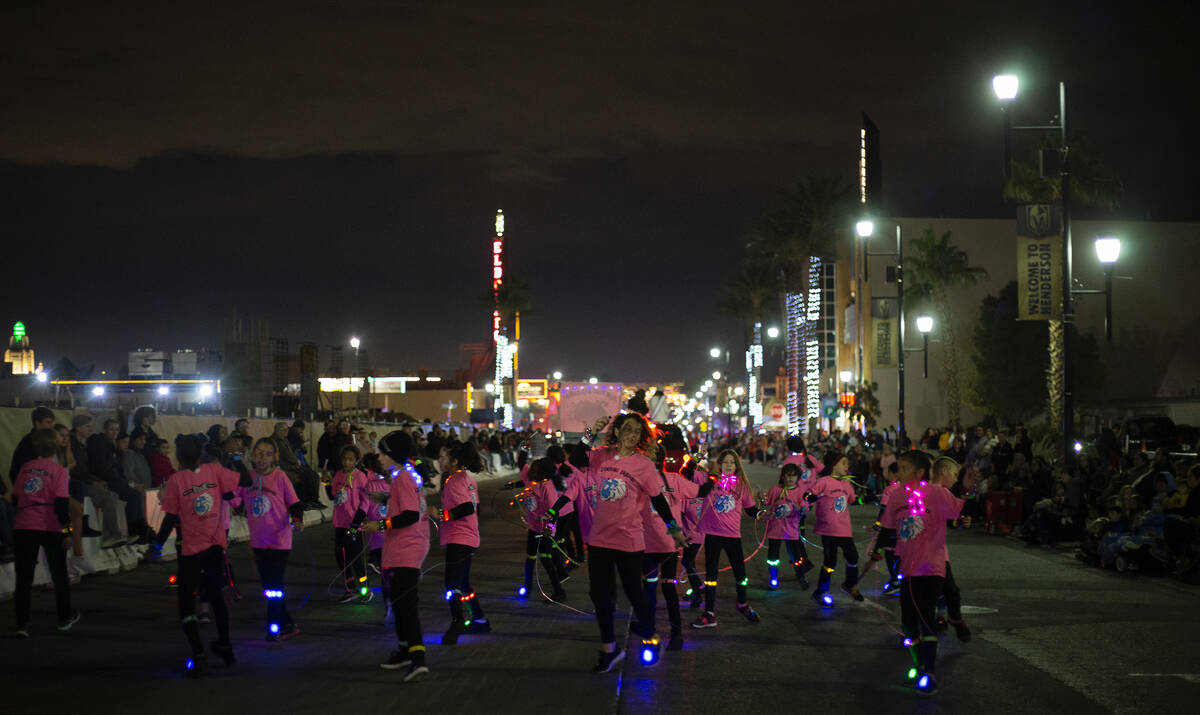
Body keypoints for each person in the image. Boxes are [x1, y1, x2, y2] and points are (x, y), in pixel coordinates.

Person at [545, 414, 686, 672]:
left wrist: (673, 529)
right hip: (599, 538)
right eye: (628, 430)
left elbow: (659, 500)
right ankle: (609, 648)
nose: (632, 436)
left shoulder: (643, 464)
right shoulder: (602, 455)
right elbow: (575, 460)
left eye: (637, 432)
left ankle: (650, 637)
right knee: (598, 594)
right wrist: (591, 432)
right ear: (618, 430)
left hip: (629, 539)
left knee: (634, 592)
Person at [149, 434, 250, 676]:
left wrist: (157, 545)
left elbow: (171, 518)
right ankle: (225, 645)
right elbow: (245, 480)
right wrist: (235, 458)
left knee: (186, 603)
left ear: (179, 456)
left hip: (189, 549)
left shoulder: (175, 481)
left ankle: (198, 653)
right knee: (216, 596)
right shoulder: (214, 470)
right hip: (215, 546)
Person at [894, 450, 978, 694]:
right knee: (909, 623)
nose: (898, 473)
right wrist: (880, 549)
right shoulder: (901, 495)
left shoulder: (938, 493)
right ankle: (921, 662)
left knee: (937, 605)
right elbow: (891, 528)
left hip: (933, 563)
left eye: (903, 468)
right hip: (909, 567)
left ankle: (928, 670)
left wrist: (969, 495)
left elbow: (958, 513)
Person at [361, 431, 431, 682]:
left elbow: (410, 515)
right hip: (403, 548)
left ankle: (418, 658)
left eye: (382, 452)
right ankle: (404, 651)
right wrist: (385, 497)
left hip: (407, 549)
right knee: (399, 605)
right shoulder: (404, 475)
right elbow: (406, 503)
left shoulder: (402, 478)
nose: (378, 456)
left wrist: (378, 526)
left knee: (406, 606)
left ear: (392, 455)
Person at [231, 438, 304, 640]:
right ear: (252, 455)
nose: (262, 458)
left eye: (268, 454)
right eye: (259, 453)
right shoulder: (247, 478)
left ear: (275, 457)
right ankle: (288, 624)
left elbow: (295, 503)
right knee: (268, 586)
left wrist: (298, 519)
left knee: (275, 585)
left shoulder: (280, 477)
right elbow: (236, 503)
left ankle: (273, 628)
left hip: (280, 541)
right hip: (258, 542)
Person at [11, 428, 80, 637]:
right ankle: (63, 618)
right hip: (50, 526)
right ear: (55, 446)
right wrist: (67, 530)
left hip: (24, 525)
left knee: (23, 578)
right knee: (59, 574)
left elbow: (16, 497)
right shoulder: (58, 471)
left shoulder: (25, 468)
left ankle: (22, 624)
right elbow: (61, 505)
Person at [642, 442, 711, 650]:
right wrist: (715, 479)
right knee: (668, 588)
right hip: (668, 544)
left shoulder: (639, 480)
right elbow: (699, 491)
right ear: (664, 460)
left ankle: (650, 635)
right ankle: (676, 635)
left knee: (649, 589)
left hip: (648, 543)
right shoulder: (674, 480)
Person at [691, 449, 762, 628]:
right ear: (719, 464)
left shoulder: (742, 485)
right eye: (725, 462)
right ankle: (709, 612)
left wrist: (762, 513)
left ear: (737, 466)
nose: (729, 465)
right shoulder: (710, 480)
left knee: (741, 574)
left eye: (732, 462)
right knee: (711, 575)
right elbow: (687, 473)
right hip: (713, 534)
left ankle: (742, 604)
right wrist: (697, 458)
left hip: (733, 535)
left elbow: (751, 509)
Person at [433, 440, 488, 644]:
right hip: (469, 537)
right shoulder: (467, 479)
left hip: (459, 538)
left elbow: (465, 508)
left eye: (443, 457)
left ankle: (457, 621)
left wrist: (440, 514)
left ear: (454, 461)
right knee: (462, 582)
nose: (439, 460)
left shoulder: (455, 481)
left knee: (452, 584)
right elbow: (477, 509)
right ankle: (480, 620)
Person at [805, 451, 863, 604]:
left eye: (847, 463)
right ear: (834, 465)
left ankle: (850, 585)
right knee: (830, 562)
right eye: (843, 463)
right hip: (828, 529)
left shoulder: (846, 484)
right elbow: (807, 495)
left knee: (853, 557)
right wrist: (809, 498)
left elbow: (853, 501)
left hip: (844, 529)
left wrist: (866, 499)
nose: (847, 466)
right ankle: (821, 591)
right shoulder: (823, 482)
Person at [69, 415, 126, 547]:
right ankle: (112, 534)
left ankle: (109, 534)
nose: (91, 429)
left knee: (112, 495)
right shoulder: (74, 445)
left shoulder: (81, 444)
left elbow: (83, 469)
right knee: (107, 496)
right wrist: (92, 481)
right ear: (78, 427)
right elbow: (76, 470)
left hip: (82, 481)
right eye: (87, 426)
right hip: (76, 484)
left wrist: (95, 479)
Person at [516, 458, 567, 602]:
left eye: (535, 469)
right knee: (530, 558)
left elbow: (554, 511)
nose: (532, 471)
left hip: (545, 530)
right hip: (534, 528)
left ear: (543, 472)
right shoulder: (531, 482)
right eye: (532, 468)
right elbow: (522, 463)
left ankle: (559, 591)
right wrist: (524, 448)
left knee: (546, 559)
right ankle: (527, 587)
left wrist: (550, 528)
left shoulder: (547, 488)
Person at [329, 445, 370, 603]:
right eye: (344, 459)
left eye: (350, 459)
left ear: (356, 461)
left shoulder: (360, 477)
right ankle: (350, 589)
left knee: (357, 558)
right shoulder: (338, 475)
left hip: (354, 525)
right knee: (342, 558)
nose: (346, 462)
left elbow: (365, 502)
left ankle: (365, 589)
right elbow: (333, 495)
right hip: (340, 523)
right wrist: (326, 482)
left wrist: (356, 522)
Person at [763, 462, 811, 590]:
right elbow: (766, 502)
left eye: (793, 476)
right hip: (775, 529)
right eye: (787, 475)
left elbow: (805, 507)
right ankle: (773, 578)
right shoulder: (775, 489)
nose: (790, 478)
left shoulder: (800, 491)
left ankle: (801, 576)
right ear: (782, 476)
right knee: (773, 556)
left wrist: (801, 508)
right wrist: (761, 499)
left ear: (798, 477)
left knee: (796, 555)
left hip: (791, 530)